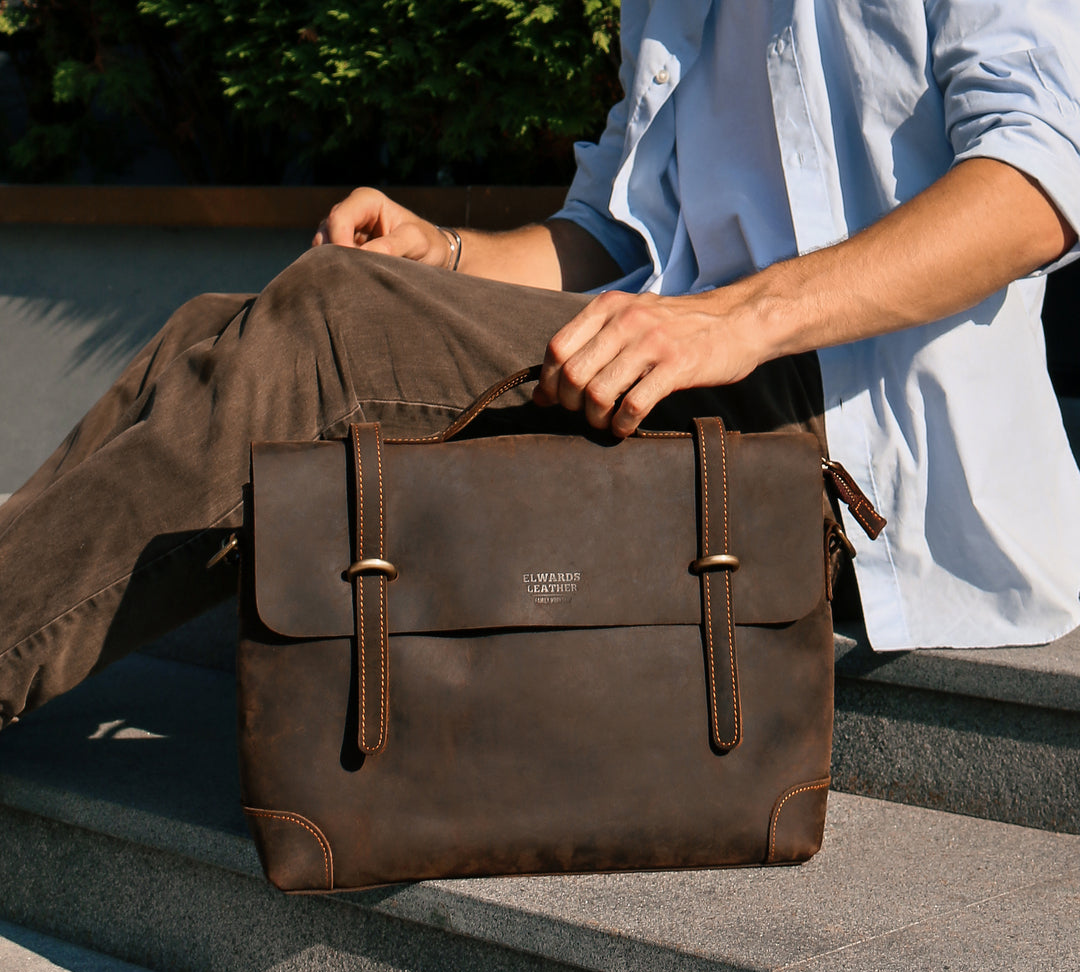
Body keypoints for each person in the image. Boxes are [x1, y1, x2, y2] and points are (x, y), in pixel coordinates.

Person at [2, 0, 1080, 728]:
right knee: (218, 323)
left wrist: (732, 321)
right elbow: (614, 241)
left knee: (327, 328)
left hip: (857, 456)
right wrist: (453, 258)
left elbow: (1041, 177)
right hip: (684, 381)